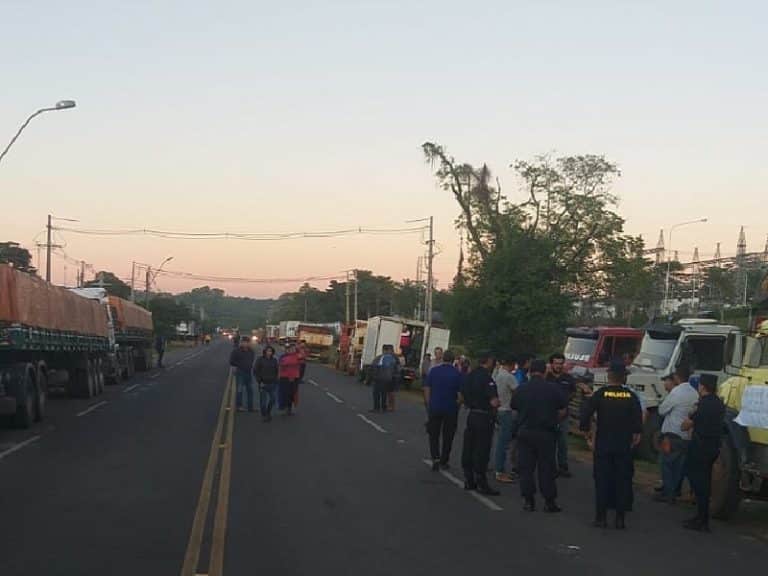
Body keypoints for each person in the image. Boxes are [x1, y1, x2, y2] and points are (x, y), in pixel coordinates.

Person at [580, 359, 642, 529]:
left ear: (609, 376)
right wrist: (635, 437)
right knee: (622, 481)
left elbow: (585, 414)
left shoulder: (600, 394)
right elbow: (638, 423)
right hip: (623, 446)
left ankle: (601, 517)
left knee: (602, 480)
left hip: (603, 444)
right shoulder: (631, 396)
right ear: (624, 378)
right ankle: (620, 518)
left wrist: (587, 435)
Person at [511, 359, 567, 512]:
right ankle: (549, 502)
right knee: (546, 469)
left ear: (530, 372)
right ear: (545, 372)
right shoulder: (553, 389)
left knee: (526, 469)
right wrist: (554, 419)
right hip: (546, 433)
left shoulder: (521, 389)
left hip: (525, 432)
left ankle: (528, 501)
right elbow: (562, 410)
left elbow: (514, 408)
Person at [681, 373, 725, 532]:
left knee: (698, 483)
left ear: (703, 386)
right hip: (713, 447)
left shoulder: (702, 405)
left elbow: (685, 426)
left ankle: (701, 519)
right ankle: (701, 518)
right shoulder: (719, 404)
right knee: (705, 481)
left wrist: (689, 417)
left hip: (699, 446)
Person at [655, 366, 699, 504]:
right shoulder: (694, 393)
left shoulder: (676, 392)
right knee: (679, 466)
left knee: (666, 464)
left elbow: (662, 410)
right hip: (686, 435)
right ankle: (675, 490)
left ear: (676, 378)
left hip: (672, 434)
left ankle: (669, 494)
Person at [461, 352, 501, 496]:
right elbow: (493, 401)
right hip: (484, 416)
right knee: (482, 449)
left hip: (472, 414)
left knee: (469, 447)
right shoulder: (487, 378)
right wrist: (497, 406)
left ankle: (468, 479)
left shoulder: (470, 376)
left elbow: (462, 393)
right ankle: (481, 481)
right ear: (489, 361)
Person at [424, 349, 463, 471]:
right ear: (453, 360)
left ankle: (435, 457)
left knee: (433, 434)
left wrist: (428, 402)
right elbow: (461, 394)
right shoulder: (457, 374)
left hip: (435, 406)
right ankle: (444, 459)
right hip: (450, 408)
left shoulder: (434, 371)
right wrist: (457, 404)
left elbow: (427, 388)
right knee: (448, 435)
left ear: (443, 358)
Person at [547, 353, 577, 478]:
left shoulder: (568, 378)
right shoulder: (546, 378)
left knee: (563, 442)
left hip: (564, 414)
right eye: (556, 363)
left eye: (561, 363)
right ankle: (549, 467)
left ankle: (563, 466)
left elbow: (573, 392)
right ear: (551, 364)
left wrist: (565, 402)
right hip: (549, 414)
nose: (559, 366)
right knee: (549, 442)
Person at [494, 355, 519, 483]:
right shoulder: (509, 377)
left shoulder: (497, 374)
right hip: (506, 410)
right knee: (503, 443)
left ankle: (497, 467)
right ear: (512, 364)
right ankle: (499, 470)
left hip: (497, 409)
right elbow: (518, 393)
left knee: (500, 442)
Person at [229, 337, 256, 412]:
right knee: (239, 390)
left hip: (248, 372)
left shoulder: (251, 351)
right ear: (241, 343)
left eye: (247, 342)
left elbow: (252, 360)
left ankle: (250, 407)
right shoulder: (236, 351)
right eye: (244, 342)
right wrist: (239, 365)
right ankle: (239, 406)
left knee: (250, 390)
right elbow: (231, 361)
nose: (245, 344)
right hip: (240, 372)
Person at [369, 344, 398, 413]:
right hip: (388, 378)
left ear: (383, 350)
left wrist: (373, 376)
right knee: (384, 393)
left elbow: (374, 367)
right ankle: (384, 407)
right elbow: (395, 368)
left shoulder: (380, 358)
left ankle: (376, 408)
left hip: (379, 378)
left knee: (376, 393)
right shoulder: (393, 359)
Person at [254, 345, 279, 422]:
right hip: (263, 384)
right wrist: (259, 381)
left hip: (272, 383)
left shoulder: (274, 360)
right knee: (263, 402)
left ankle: (268, 412)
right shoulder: (260, 359)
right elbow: (256, 371)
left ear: (272, 352)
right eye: (268, 351)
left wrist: (277, 380)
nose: (269, 353)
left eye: (270, 351)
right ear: (265, 352)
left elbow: (277, 371)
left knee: (273, 399)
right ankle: (264, 415)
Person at [278, 344, 301, 415]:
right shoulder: (284, 357)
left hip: (294, 378)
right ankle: (284, 407)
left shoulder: (297, 356)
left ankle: (289, 408)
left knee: (292, 394)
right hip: (285, 378)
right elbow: (282, 365)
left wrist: (298, 350)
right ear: (287, 350)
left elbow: (303, 356)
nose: (292, 350)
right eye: (290, 349)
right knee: (285, 393)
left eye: (293, 349)